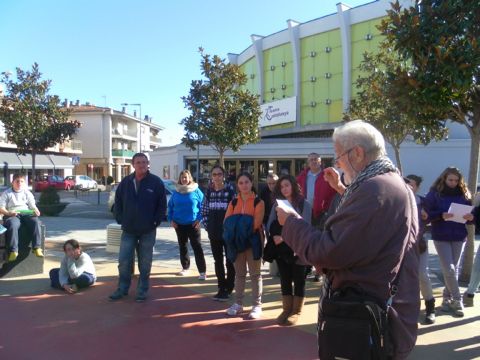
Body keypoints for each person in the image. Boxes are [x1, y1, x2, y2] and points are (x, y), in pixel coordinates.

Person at [276, 120, 419, 359]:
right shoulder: (388, 182)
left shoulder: (375, 190)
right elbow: (365, 228)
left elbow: (329, 251)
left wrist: (290, 222)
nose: (338, 164)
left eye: (338, 156)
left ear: (358, 153)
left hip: (365, 319)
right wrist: (343, 190)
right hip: (380, 312)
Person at [109, 153, 167, 302]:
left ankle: (142, 290)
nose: (142, 165)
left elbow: (162, 204)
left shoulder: (156, 182)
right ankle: (122, 289)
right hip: (128, 229)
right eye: (138, 162)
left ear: (148, 164)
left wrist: (156, 221)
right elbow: (118, 202)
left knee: (145, 262)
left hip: (148, 230)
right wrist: (120, 218)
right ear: (133, 164)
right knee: (124, 261)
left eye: (144, 162)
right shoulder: (126, 182)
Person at [424, 167, 474, 317]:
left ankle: (446, 299)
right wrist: (441, 215)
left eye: (456, 180)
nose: (453, 183)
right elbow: (426, 215)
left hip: (459, 235)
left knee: (454, 269)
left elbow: (472, 214)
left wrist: (471, 218)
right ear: (444, 179)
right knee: (450, 269)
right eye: (450, 180)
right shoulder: (434, 194)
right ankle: (458, 300)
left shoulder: (464, 194)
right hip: (441, 235)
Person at [266, 175, 311, 325]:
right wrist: (274, 236)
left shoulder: (304, 204)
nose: (284, 189)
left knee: (299, 280)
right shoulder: (276, 205)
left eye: (287, 185)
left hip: (299, 248)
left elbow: (306, 227)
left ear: (293, 186)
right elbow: (270, 224)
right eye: (282, 186)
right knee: (284, 279)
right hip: (282, 251)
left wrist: (284, 237)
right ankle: (286, 309)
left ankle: (296, 311)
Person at [223, 172, 265, 319]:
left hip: (252, 242)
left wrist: (238, 224)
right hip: (236, 243)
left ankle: (256, 305)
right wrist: (240, 224)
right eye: (241, 183)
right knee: (239, 275)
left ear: (251, 183)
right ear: (237, 185)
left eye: (246, 182)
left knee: (255, 275)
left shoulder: (258, 202)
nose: (244, 185)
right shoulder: (233, 202)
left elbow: (256, 224)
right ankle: (238, 303)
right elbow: (227, 222)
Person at [201, 165, 236, 301]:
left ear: (224, 175)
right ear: (211, 176)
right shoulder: (208, 192)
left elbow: (235, 210)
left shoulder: (230, 191)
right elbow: (204, 210)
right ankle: (221, 287)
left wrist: (232, 228)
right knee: (218, 261)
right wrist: (207, 226)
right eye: (214, 174)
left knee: (230, 260)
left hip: (228, 233)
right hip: (214, 232)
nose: (217, 177)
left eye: (219, 174)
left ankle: (229, 287)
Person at [406, 174, 436, 324]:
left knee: (422, 275)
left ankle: (430, 307)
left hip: (420, 245)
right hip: (403, 247)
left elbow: (431, 216)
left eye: (412, 184)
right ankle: (408, 309)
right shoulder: (399, 200)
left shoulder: (422, 202)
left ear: (417, 187)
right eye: (406, 183)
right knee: (404, 279)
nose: (409, 187)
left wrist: (427, 216)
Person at [168, 169, 207, 280]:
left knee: (197, 247)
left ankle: (202, 271)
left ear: (190, 178)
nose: (184, 179)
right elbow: (170, 207)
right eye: (182, 177)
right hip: (179, 224)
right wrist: (171, 220)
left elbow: (204, 206)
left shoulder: (196, 191)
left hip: (193, 224)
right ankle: (185, 267)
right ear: (180, 179)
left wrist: (199, 219)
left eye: (186, 177)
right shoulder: (176, 191)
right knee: (183, 246)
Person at [0, 173, 43, 262]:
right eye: (17, 181)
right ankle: (13, 251)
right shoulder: (6, 193)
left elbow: (32, 205)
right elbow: (1, 208)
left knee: (36, 222)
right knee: (12, 224)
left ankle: (37, 247)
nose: (19, 183)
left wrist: (36, 210)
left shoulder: (27, 193)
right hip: (12, 214)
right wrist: (8, 213)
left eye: (22, 181)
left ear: (24, 183)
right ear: (12, 182)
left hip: (26, 213)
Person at [296, 152, 336, 229]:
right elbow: (296, 191)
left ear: (320, 162)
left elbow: (334, 194)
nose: (313, 161)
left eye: (316, 159)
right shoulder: (302, 176)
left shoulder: (328, 175)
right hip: (305, 211)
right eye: (311, 160)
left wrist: (329, 209)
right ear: (308, 163)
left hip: (322, 213)